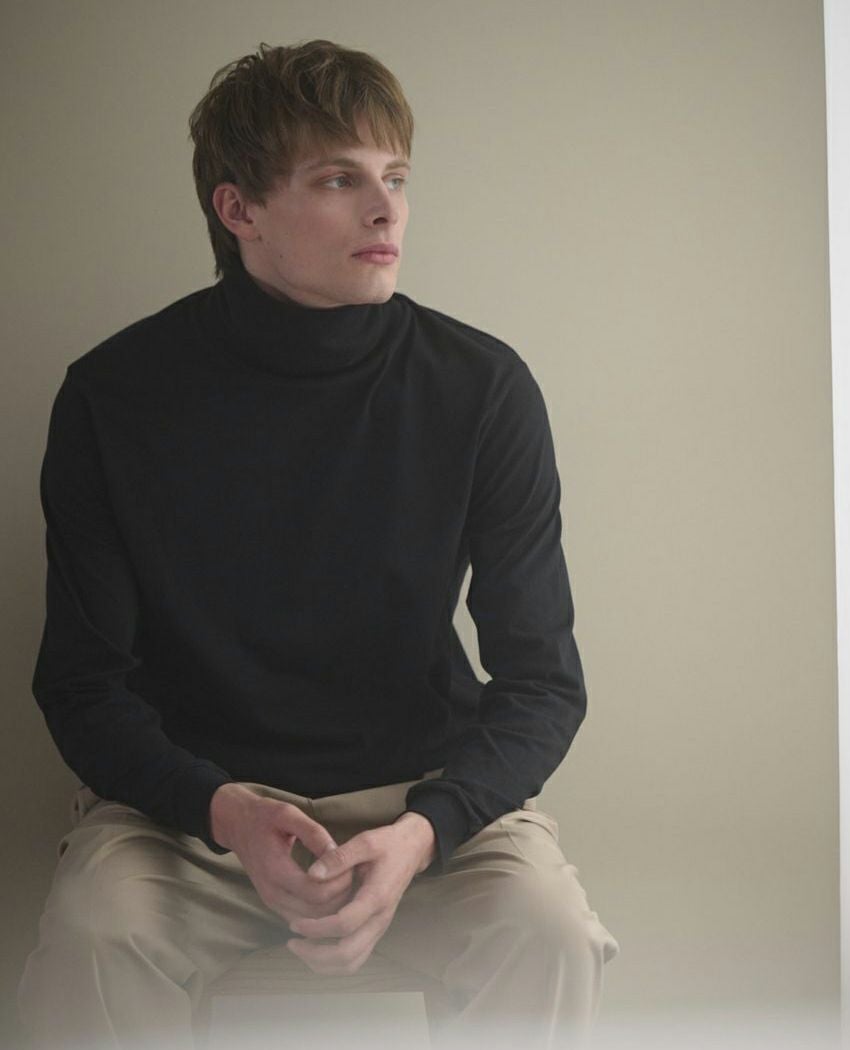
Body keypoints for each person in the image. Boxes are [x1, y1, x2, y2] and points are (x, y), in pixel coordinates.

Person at [18, 38, 619, 1050]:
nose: (387, 211)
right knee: (94, 935)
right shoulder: (113, 398)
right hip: (191, 815)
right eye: (340, 180)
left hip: (421, 804)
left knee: (546, 930)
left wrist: (425, 831)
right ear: (239, 209)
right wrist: (225, 813)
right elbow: (82, 688)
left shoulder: (481, 388)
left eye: (396, 178)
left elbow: (544, 684)